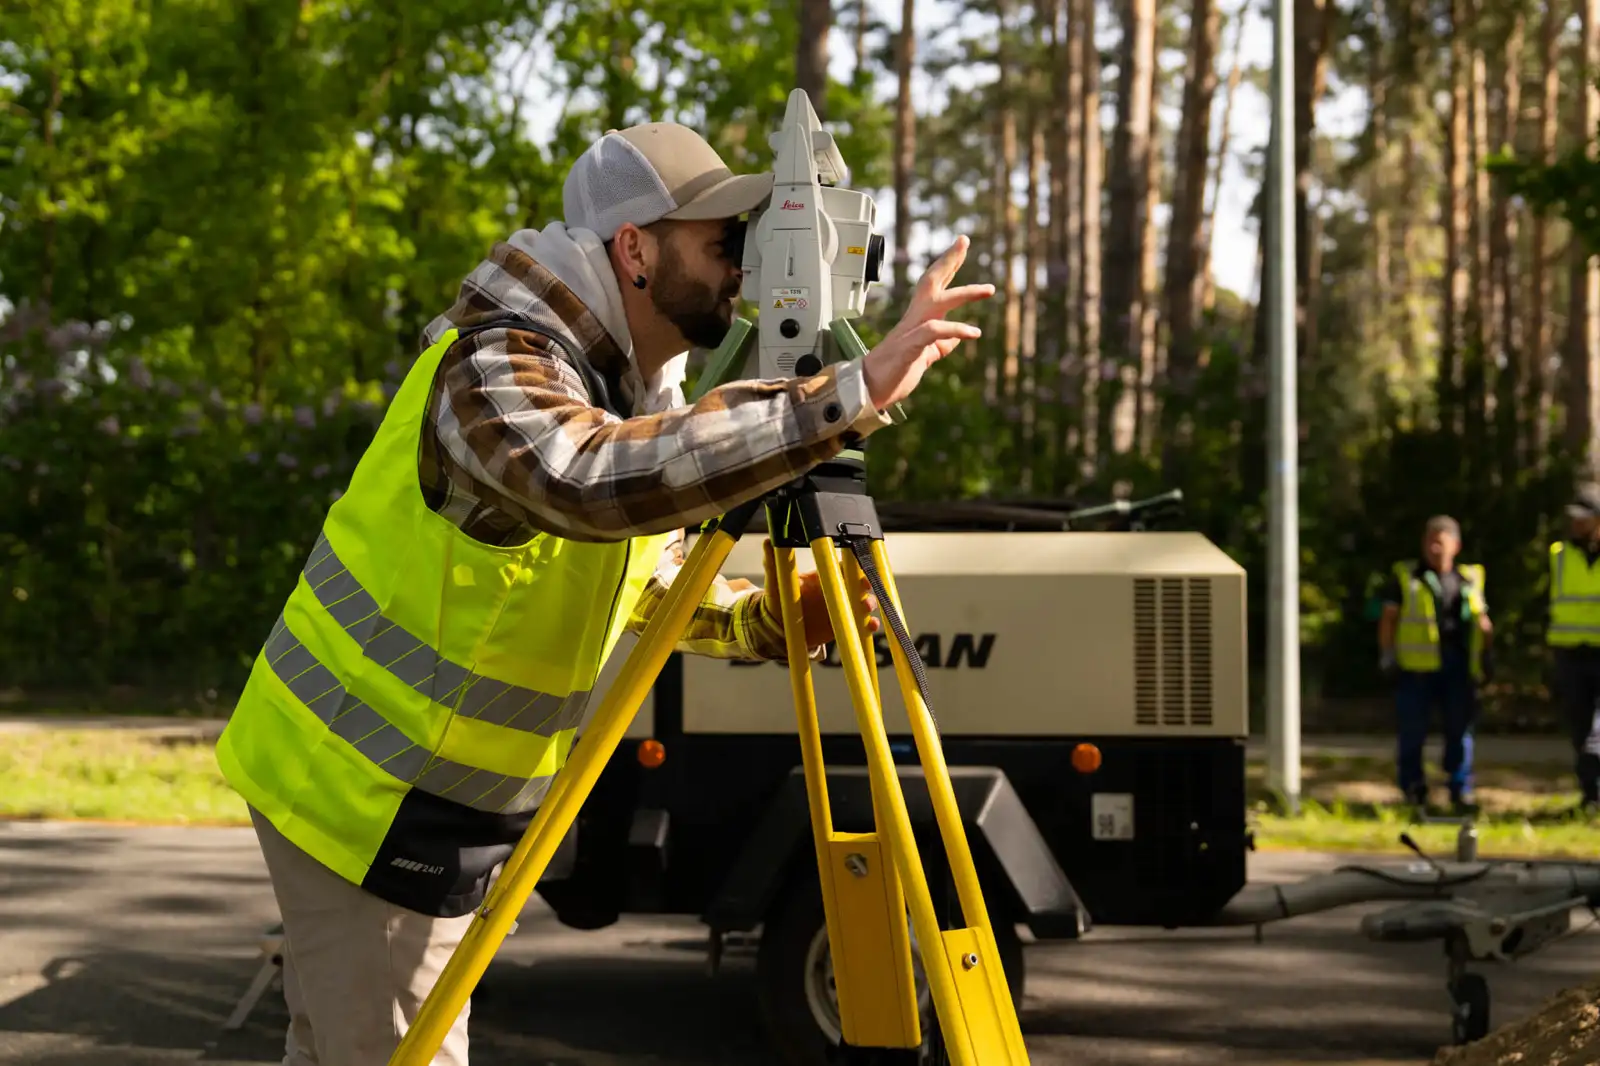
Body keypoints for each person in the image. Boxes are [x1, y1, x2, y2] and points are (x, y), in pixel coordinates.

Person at [213, 120, 994, 1065]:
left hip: (429, 803)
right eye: (723, 241)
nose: (744, 268)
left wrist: (763, 621)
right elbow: (583, 480)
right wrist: (838, 397)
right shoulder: (493, 364)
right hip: (365, 797)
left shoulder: (628, 395)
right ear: (635, 250)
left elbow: (639, 581)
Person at [1377, 515, 1492, 811]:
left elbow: (1482, 621)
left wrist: (1486, 657)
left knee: (1460, 732)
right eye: (1429, 542)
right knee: (1413, 732)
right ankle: (1413, 789)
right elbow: (1389, 619)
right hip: (1416, 668)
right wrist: (1388, 656)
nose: (1434, 548)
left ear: (1456, 545)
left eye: (1440, 542)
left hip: (1458, 666)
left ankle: (1460, 790)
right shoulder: (1407, 577)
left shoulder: (1469, 578)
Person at [1546, 482, 1600, 813]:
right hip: (1570, 653)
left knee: (1597, 736)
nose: (1577, 523)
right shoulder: (1559, 555)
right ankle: (1591, 796)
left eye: (1584, 517)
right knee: (1580, 728)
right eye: (1574, 517)